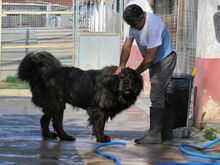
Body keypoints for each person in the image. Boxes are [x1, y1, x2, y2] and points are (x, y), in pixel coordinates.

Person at [115, 4, 177, 144]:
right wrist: (121, 66)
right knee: (160, 95)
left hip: (164, 60)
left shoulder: (153, 26)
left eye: (135, 24)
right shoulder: (134, 23)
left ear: (142, 15)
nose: (134, 27)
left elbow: (149, 58)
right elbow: (127, 45)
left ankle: (155, 135)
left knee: (156, 96)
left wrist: (134, 74)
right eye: (131, 25)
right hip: (155, 61)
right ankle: (166, 131)